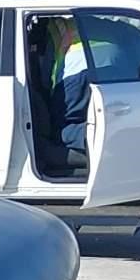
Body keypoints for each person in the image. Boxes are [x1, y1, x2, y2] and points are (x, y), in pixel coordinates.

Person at [38, 15, 91, 178]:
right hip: (104, 68)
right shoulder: (79, 20)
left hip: (74, 73)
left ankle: (94, 142)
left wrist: (45, 94)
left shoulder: (51, 27)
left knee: (62, 128)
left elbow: (46, 73)